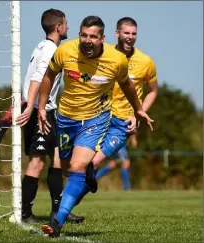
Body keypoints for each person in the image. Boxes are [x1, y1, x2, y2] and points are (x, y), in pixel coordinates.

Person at [38, 16, 154, 237]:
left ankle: (57, 222)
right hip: (66, 119)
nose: (87, 40)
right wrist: (42, 108)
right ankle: (85, 180)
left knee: (77, 167)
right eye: (83, 35)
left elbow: (127, 85)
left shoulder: (116, 60)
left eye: (93, 36)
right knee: (65, 169)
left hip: (95, 120)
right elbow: (49, 76)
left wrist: (138, 109)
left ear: (102, 38)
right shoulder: (64, 51)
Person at [15, 8, 83, 224]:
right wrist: (30, 108)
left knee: (56, 160)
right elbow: (37, 78)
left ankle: (57, 211)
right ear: (58, 27)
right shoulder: (50, 50)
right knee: (37, 162)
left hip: (48, 110)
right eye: (66, 23)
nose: (68, 27)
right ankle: (24, 212)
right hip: (39, 111)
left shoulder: (44, 46)